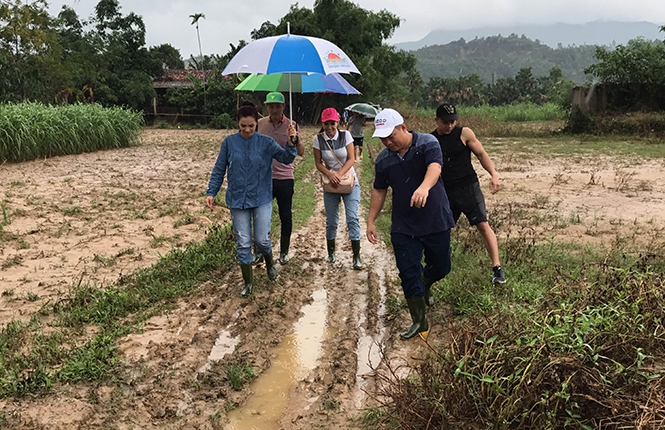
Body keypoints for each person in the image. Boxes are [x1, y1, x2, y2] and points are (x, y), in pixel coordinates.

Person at [367, 108, 455, 340]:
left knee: (442, 266)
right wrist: (371, 220)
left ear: (403, 128)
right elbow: (379, 190)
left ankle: (426, 283)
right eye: (383, 138)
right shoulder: (383, 160)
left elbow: (435, 168)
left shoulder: (428, 143)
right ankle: (419, 320)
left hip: (435, 218)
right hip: (404, 224)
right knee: (408, 272)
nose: (387, 142)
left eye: (391, 136)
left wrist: (424, 187)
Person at [206, 101, 297, 297]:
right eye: (243, 126)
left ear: (257, 124)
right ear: (238, 124)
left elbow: (287, 159)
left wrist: (291, 142)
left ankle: (270, 260)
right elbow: (219, 168)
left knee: (262, 239)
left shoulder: (266, 143)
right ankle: (248, 282)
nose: (247, 130)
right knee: (244, 242)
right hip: (237, 199)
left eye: (251, 126)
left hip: (262, 197)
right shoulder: (229, 143)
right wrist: (211, 191)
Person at [431, 102, 506, 284]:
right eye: (445, 122)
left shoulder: (464, 133)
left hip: (468, 187)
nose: (450, 126)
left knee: (482, 224)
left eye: (453, 121)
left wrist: (494, 174)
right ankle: (439, 266)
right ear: (436, 120)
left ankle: (497, 268)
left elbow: (481, 154)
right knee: (442, 230)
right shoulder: (431, 140)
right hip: (445, 190)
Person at [255, 92, 304, 265]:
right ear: (266, 107)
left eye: (278, 106)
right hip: (263, 178)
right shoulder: (259, 124)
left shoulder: (292, 125)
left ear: (284, 107)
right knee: (261, 216)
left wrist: (295, 138)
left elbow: (301, 152)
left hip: (284, 177)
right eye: (271, 106)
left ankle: (284, 251)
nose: (274, 109)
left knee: (285, 215)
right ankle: (261, 252)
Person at [313, 107, 363, 270]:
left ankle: (356, 256)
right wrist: (330, 174)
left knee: (352, 218)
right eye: (326, 124)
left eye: (332, 123)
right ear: (323, 123)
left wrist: (339, 174)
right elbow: (318, 163)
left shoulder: (346, 135)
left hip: (349, 182)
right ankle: (331, 253)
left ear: (337, 123)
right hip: (331, 184)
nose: (329, 127)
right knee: (331, 221)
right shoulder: (318, 139)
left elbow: (351, 159)